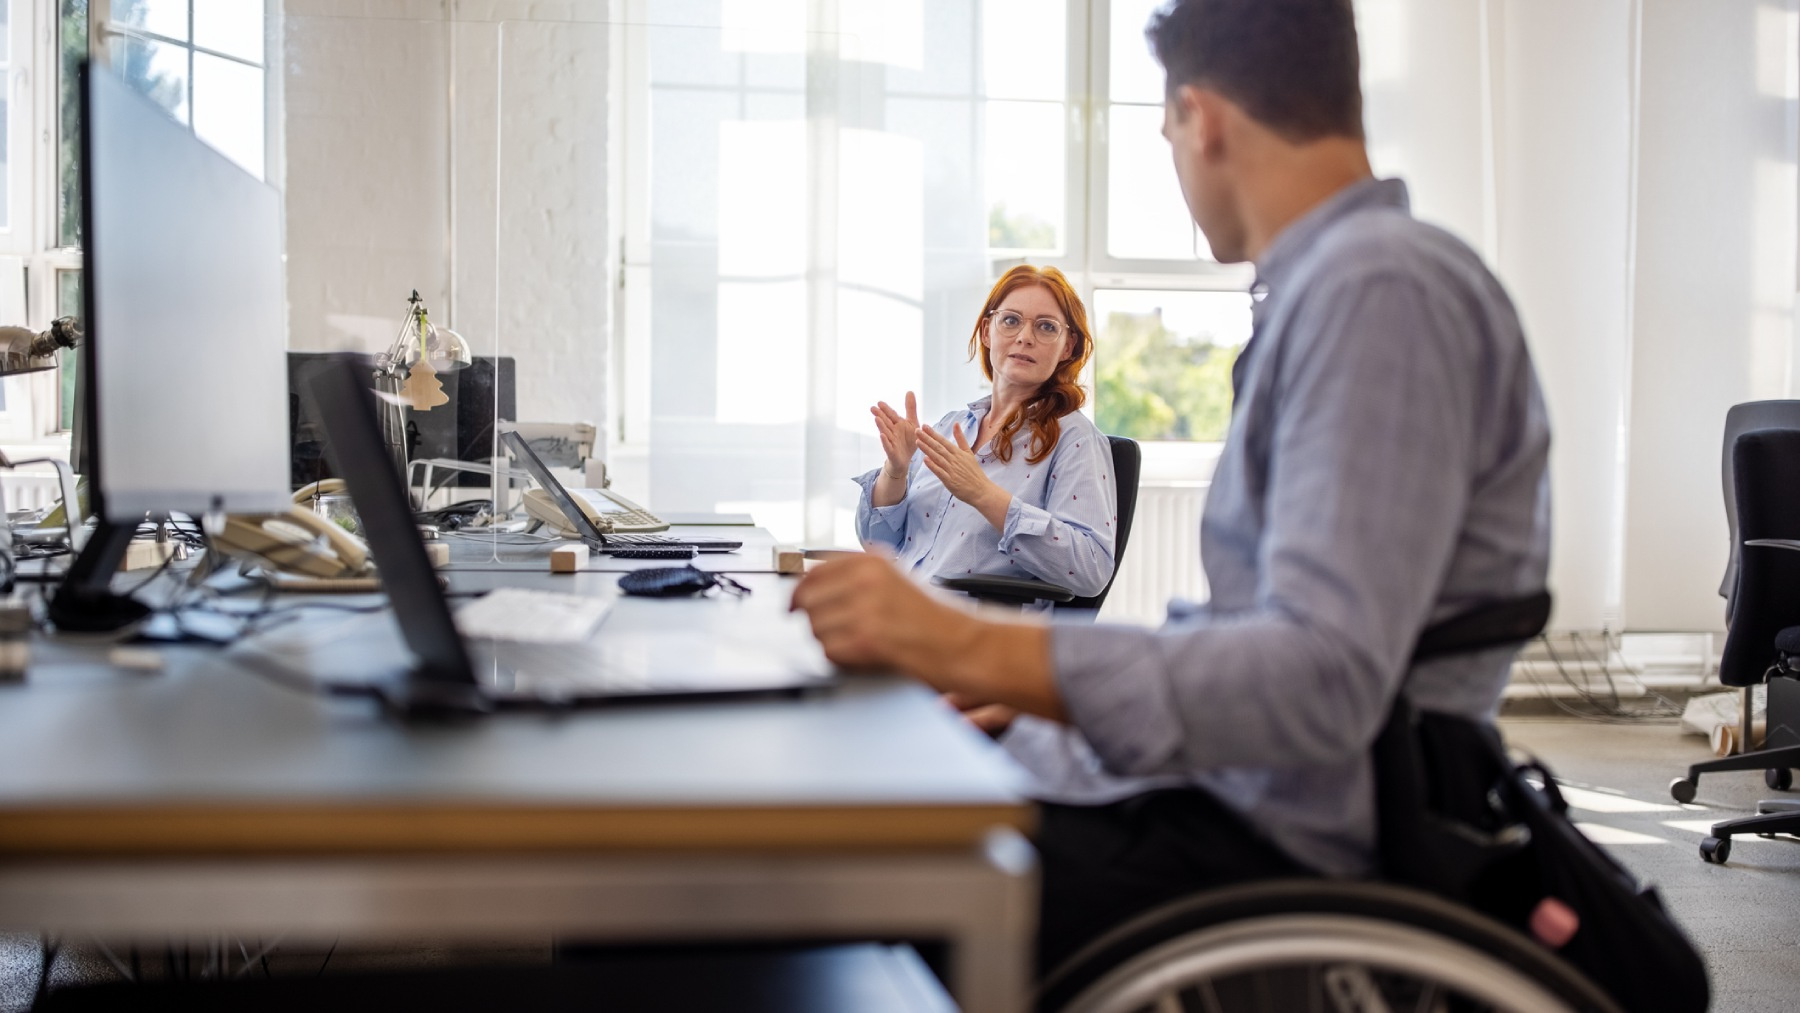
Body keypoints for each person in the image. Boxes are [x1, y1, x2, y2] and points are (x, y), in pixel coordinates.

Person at [791, 0, 1551, 975]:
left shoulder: (1376, 291)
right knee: (880, 770)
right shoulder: (1343, 289)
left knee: (854, 849)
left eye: (1165, 132)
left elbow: (1320, 675)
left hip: (1278, 814)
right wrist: (1028, 688)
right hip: (1241, 771)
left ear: (1202, 117)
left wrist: (971, 645)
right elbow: (1264, 629)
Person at [857, 265, 1116, 606]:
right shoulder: (951, 428)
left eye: (1046, 327)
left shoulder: (1077, 440)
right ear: (986, 332)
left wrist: (983, 494)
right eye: (1010, 320)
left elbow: (1092, 569)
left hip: (968, 630)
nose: (1025, 337)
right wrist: (896, 471)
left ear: (1067, 347)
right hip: (897, 610)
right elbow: (877, 542)